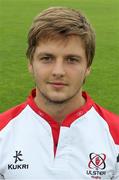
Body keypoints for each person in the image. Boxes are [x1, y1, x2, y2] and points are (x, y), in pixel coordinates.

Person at [0, 6, 119, 180]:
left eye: (72, 60)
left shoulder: (115, 135)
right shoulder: (3, 133)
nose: (58, 71)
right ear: (31, 64)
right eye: (47, 58)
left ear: (88, 67)